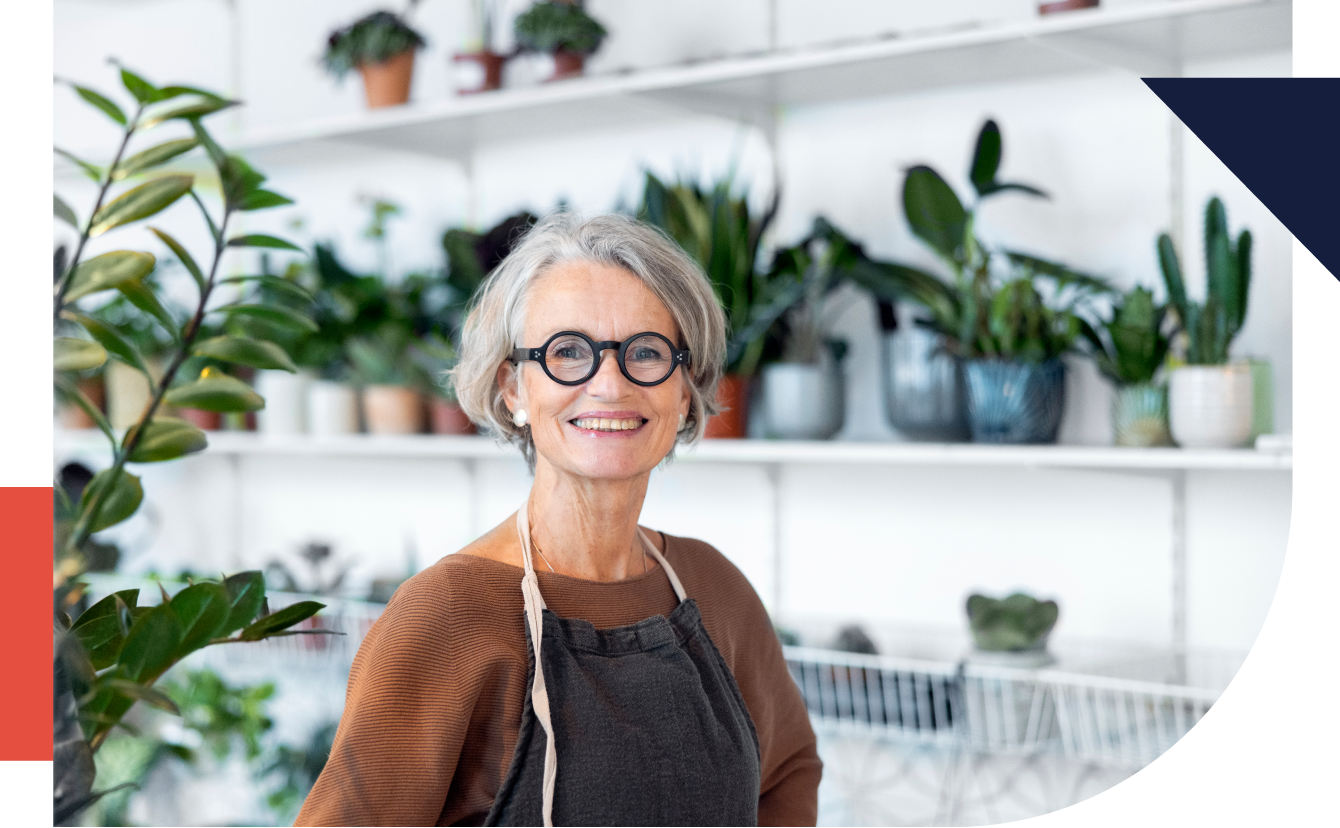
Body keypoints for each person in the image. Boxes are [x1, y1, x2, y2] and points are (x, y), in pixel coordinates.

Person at [297, 212, 820, 826]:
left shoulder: (714, 589)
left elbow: (788, 771)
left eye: (646, 352)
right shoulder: (446, 617)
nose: (608, 385)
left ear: (685, 390)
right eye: (567, 352)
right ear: (514, 388)